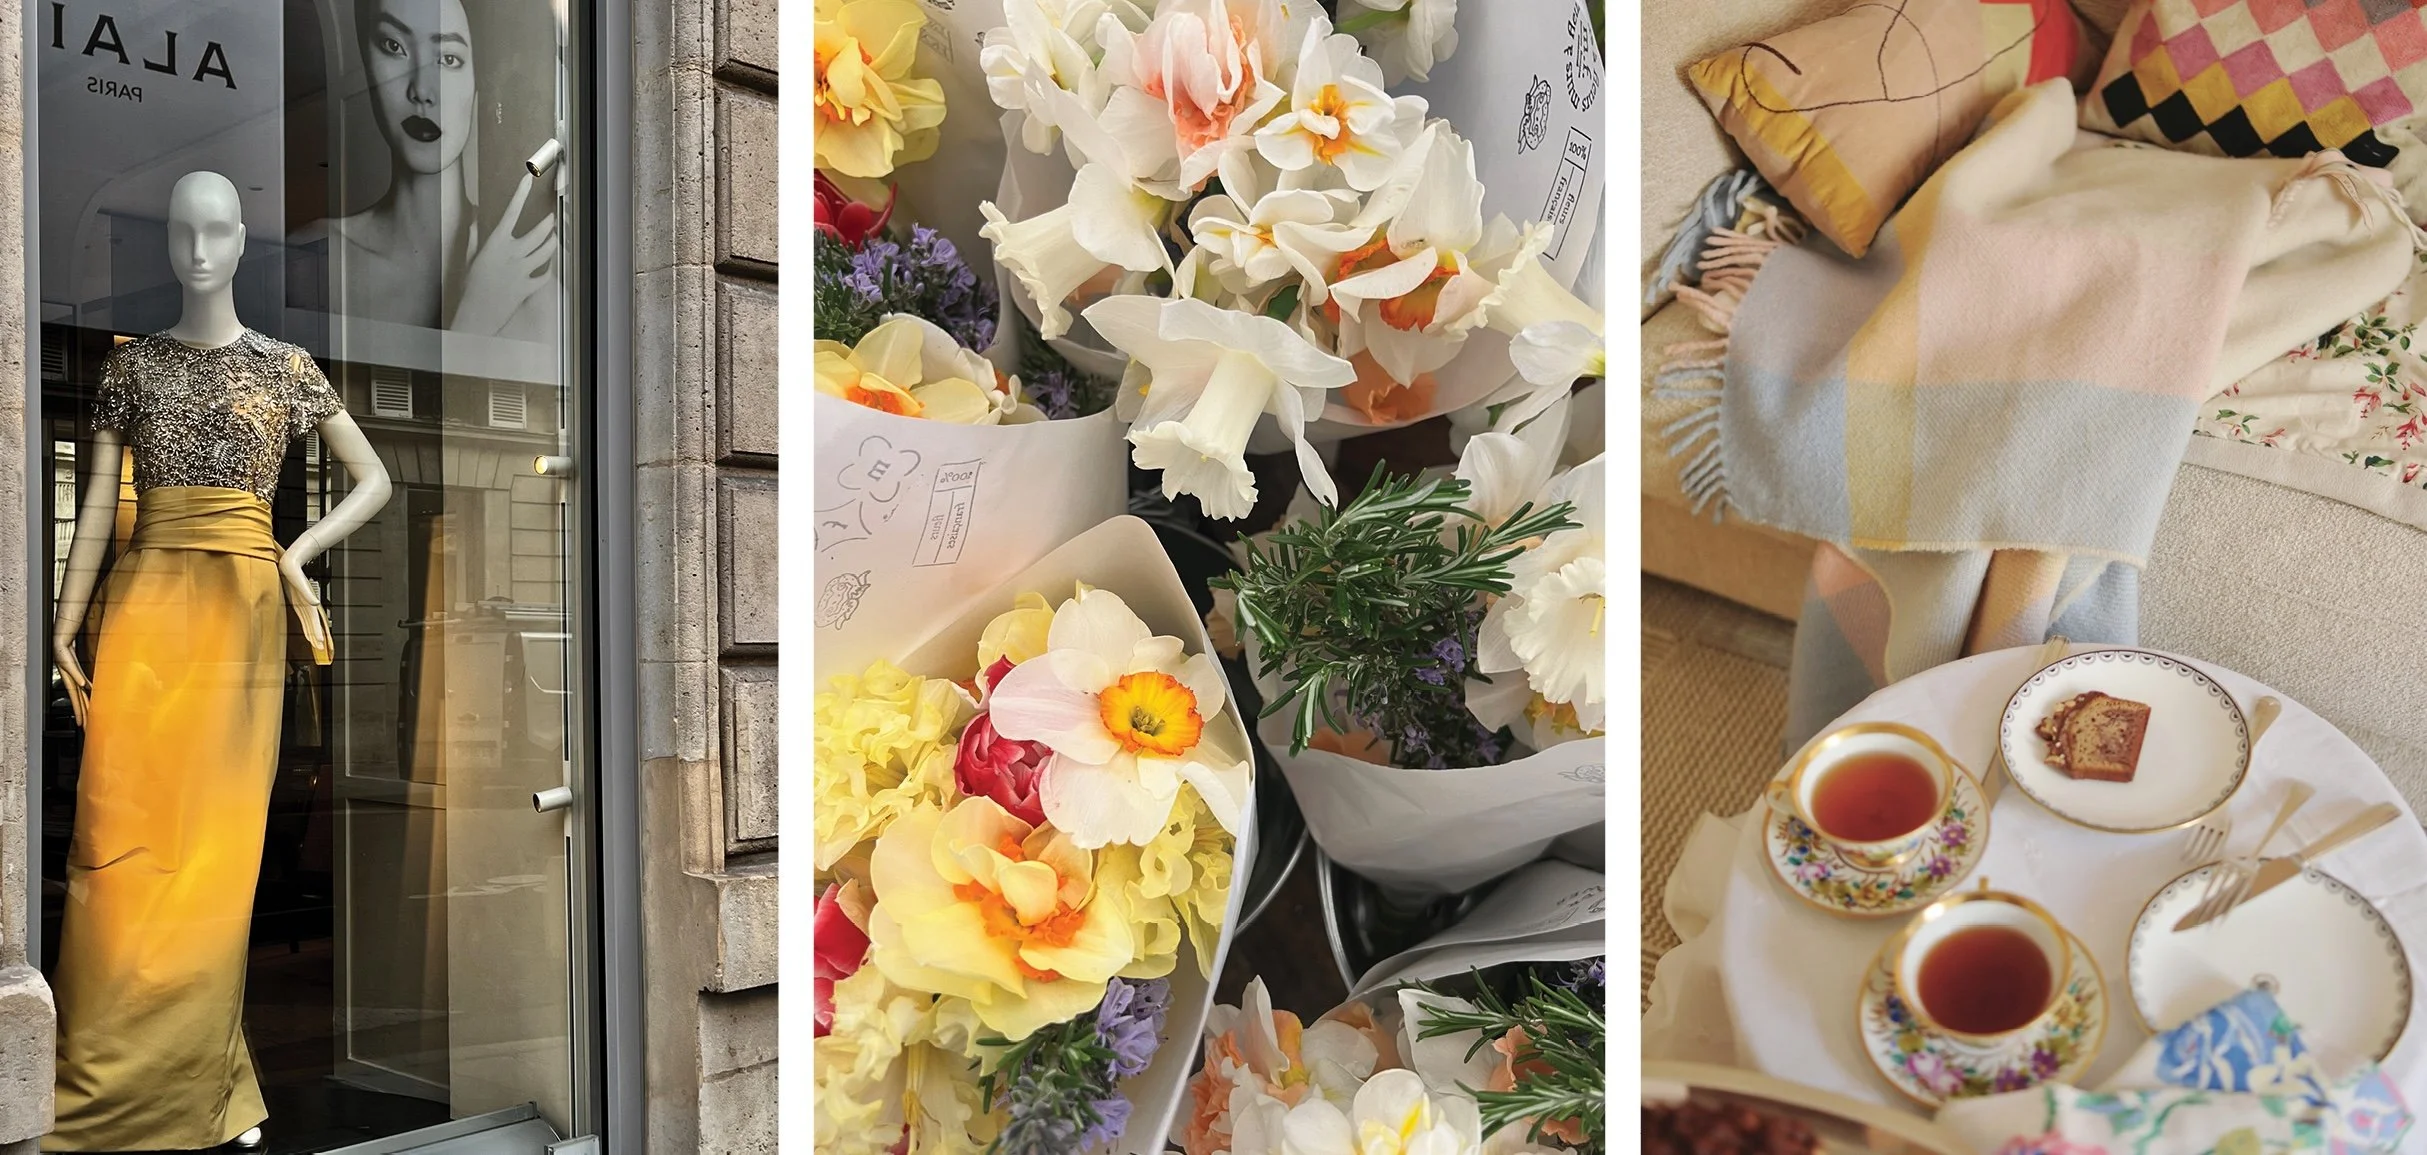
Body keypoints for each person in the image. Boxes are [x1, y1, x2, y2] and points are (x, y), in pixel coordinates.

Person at [322, 0, 557, 340]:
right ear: (365, 57)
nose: (421, 91)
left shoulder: (529, 283)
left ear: (480, 76)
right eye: (394, 47)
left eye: (449, 58)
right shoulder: (318, 262)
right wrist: (475, 315)